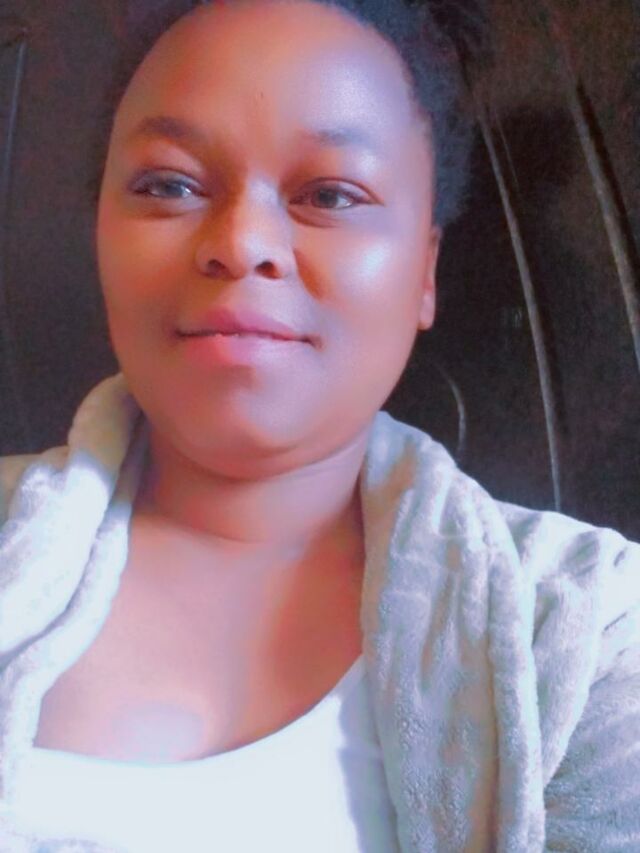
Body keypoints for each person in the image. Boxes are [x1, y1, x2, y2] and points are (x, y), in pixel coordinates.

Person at [0, 1, 639, 851]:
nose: (242, 242)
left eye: (331, 194)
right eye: (170, 185)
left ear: (424, 270)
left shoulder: (589, 630)